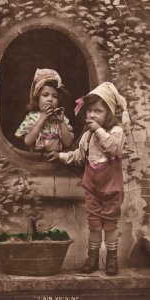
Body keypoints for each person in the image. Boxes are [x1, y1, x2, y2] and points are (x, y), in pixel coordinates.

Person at [47, 82, 131, 276]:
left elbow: (113, 150)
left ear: (108, 114)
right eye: (89, 111)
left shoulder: (115, 132)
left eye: (98, 111)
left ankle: (112, 259)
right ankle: (92, 258)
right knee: (94, 224)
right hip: (92, 188)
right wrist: (60, 156)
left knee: (109, 224)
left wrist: (99, 131)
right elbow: (78, 156)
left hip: (111, 189)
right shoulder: (87, 136)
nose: (92, 115)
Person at [15, 68, 73, 152]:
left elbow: (68, 143)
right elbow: (27, 142)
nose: (50, 99)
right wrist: (41, 120)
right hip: (36, 162)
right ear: (37, 98)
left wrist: (61, 122)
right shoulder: (33, 117)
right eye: (45, 95)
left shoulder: (61, 118)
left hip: (56, 162)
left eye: (55, 96)